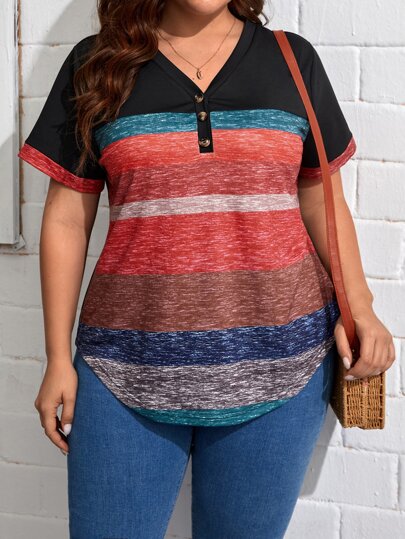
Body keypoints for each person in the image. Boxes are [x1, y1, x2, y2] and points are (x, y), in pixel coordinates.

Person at [18, 1, 395, 537]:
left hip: (281, 369)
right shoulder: (97, 62)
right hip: (122, 370)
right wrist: (57, 357)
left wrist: (362, 308)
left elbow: (322, 198)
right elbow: (65, 219)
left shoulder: (291, 60)